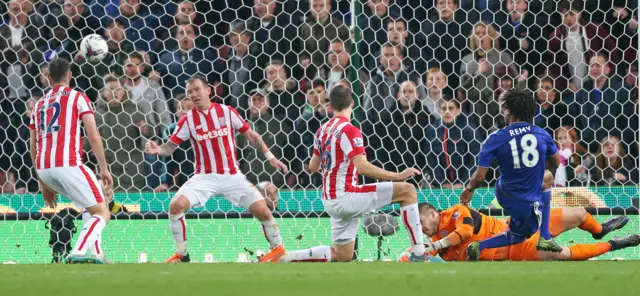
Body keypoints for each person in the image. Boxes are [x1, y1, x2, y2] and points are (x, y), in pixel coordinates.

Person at [277, 86, 432, 263]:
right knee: (408, 190)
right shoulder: (349, 130)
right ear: (352, 103)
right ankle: (419, 254)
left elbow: (312, 166)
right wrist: (398, 176)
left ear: (331, 105)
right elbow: (363, 166)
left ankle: (288, 257)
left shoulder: (322, 130)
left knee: (343, 254)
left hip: (329, 199)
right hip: (346, 196)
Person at [144, 75, 289, 263]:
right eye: (190, 92)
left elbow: (252, 136)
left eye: (197, 90)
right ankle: (182, 254)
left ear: (208, 90)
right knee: (175, 206)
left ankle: (277, 249)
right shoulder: (188, 120)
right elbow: (171, 146)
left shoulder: (227, 112)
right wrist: (158, 149)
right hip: (205, 177)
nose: (194, 95)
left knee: (263, 210)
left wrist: (271, 157)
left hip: (232, 175)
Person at [460, 89, 562, 261]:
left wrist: (469, 190)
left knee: (519, 234)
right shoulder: (541, 134)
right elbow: (556, 163)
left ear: (508, 111)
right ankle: (545, 236)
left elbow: (480, 176)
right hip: (528, 200)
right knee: (547, 178)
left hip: (505, 194)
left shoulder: (496, 137)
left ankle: (478, 246)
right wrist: (532, 169)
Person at [29, 58, 113, 264]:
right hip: (69, 163)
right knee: (103, 211)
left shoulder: (38, 104)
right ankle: (78, 251)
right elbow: (93, 135)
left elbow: (33, 145)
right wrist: (103, 168)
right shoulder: (77, 97)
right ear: (71, 75)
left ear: (48, 78)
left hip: (44, 168)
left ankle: (97, 254)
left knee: (88, 205)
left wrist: (42, 181)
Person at [396, 200, 636, 262]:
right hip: (516, 249)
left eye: (419, 223)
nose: (421, 229)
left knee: (580, 214)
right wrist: (408, 255)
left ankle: (600, 230)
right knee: (563, 254)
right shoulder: (434, 240)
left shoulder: (458, 211)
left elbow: (467, 233)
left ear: (432, 213)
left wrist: (436, 246)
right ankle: (616, 244)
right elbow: (420, 255)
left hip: (520, 224)